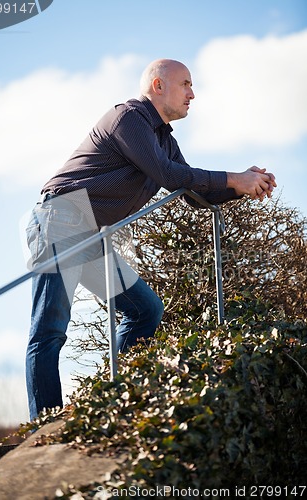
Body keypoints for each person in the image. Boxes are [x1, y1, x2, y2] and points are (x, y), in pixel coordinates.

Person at [25, 58, 276, 420]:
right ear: (158, 86)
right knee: (49, 328)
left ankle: (111, 402)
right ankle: (41, 426)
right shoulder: (130, 118)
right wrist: (232, 177)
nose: (193, 93)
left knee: (145, 309)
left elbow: (190, 192)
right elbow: (166, 174)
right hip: (61, 219)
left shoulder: (163, 139)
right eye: (186, 84)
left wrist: (243, 184)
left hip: (91, 231)